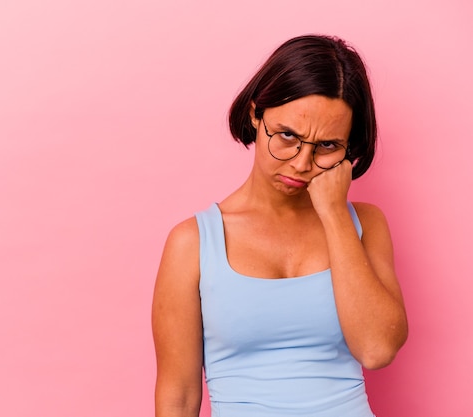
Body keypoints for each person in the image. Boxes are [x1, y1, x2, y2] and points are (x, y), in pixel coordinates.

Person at [151, 34, 408, 417]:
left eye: (326, 146)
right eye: (287, 136)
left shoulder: (364, 224)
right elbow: (179, 396)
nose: (302, 163)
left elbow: (376, 349)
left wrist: (335, 216)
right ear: (256, 115)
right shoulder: (193, 243)